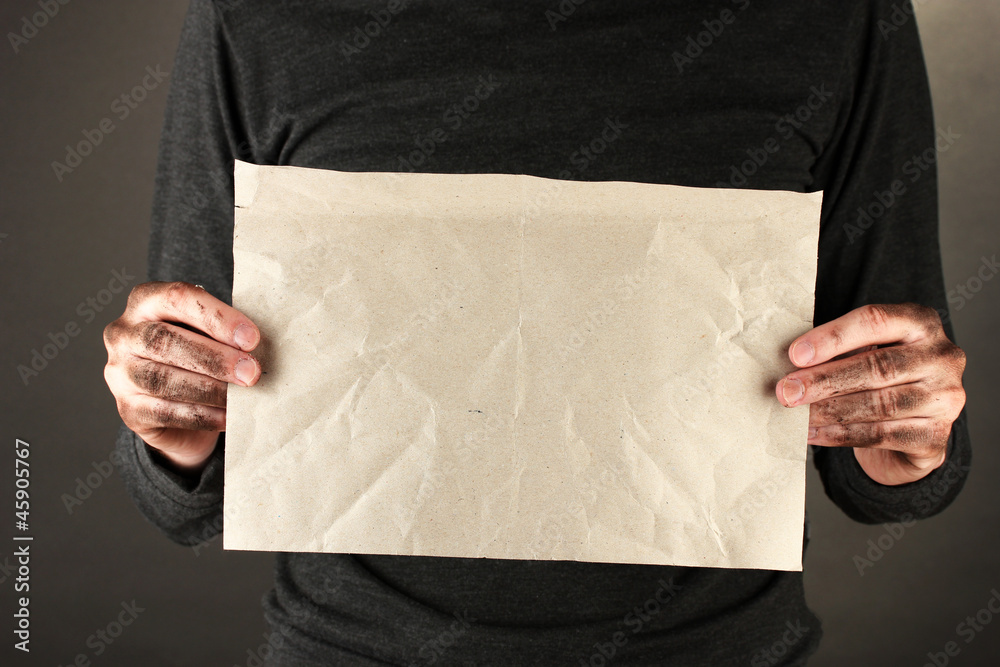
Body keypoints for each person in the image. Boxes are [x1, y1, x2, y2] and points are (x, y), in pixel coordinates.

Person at [102, 1, 971, 664]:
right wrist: (172, 421)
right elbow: (189, 475)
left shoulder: (840, 16)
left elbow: (894, 443)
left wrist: (908, 437)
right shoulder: (261, 16)